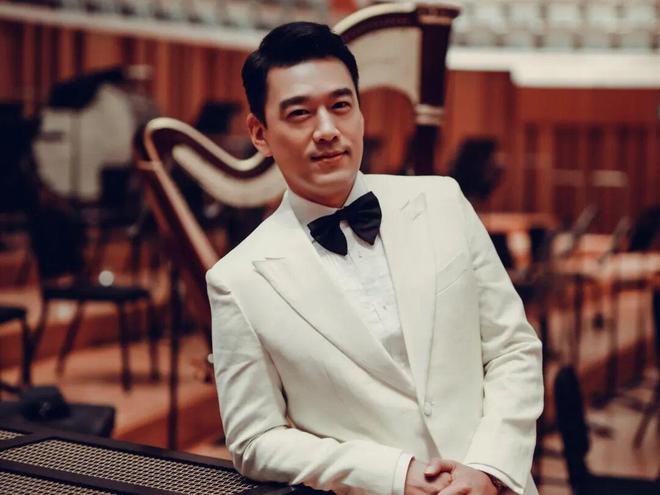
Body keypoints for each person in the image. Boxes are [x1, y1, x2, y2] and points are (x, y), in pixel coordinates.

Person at [206, 22, 543, 495]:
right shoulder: (237, 279)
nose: (327, 130)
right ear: (259, 134)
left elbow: (513, 349)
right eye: (300, 114)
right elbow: (255, 441)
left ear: (360, 113)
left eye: (341, 106)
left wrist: (489, 468)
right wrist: (392, 474)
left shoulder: (443, 201)